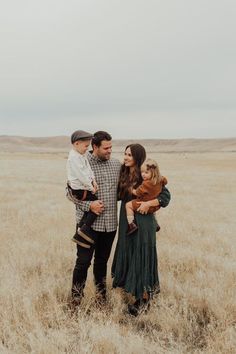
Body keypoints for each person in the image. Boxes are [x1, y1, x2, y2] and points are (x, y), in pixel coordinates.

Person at [112, 144, 171, 316]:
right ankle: (130, 290)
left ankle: (144, 300)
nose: (126, 157)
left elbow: (165, 197)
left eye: (129, 155)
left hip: (143, 220)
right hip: (127, 220)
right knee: (128, 251)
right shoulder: (123, 174)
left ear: (138, 157)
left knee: (142, 256)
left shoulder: (146, 174)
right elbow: (116, 195)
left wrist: (149, 203)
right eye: (125, 154)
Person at [71, 131, 121, 306]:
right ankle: (76, 298)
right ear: (94, 147)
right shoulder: (82, 163)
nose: (109, 151)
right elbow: (70, 193)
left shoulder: (116, 165)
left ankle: (101, 297)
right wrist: (89, 206)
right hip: (88, 224)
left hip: (110, 225)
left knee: (101, 263)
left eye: (111, 147)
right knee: (83, 262)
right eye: (106, 148)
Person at [66, 130, 99, 244]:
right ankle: (83, 230)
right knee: (97, 205)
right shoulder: (74, 158)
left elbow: (88, 169)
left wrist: (94, 180)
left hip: (84, 187)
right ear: (76, 144)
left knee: (91, 208)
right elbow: (81, 176)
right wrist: (91, 188)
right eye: (85, 146)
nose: (87, 148)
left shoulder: (81, 155)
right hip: (79, 190)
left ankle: (81, 230)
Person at [125, 158, 168, 236]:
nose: (143, 174)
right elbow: (165, 181)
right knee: (153, 210)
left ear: (153, 172)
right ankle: (155, 223)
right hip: (155, 207)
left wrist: (131, 189)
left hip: (143, 204)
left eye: (146, 172)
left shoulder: (146, 184)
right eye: (142, 172)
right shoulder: (160, 180)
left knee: (128, 205)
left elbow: (137, 193)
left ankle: (131, 224)